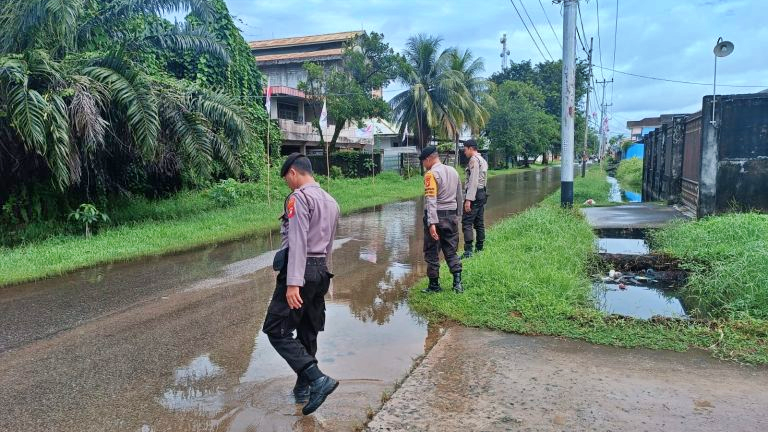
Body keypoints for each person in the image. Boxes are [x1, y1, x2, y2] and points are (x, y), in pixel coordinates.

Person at [262, 153, 340, 416]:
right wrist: (325, 277)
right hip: (320, 271)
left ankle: (316, 378)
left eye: (286, 179)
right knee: (308, 329)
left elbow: (297, 241)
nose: (287, 184)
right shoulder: (331, 201)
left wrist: (293, 283)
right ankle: (303, 388)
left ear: (293, 173)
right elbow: (329, 245)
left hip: (300, 270)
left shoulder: (299, 198)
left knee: (276, 329)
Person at [420, 146, 464, 294]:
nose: (424, 165)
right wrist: (458, 216)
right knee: (451, 250)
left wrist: (432, 223)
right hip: (451, 217)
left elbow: (431, 200)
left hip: (436, 216)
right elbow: (459, 196)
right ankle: (457, 283)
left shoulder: (430, 174)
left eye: (423, 162)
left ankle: (434, 286)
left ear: (428, 159)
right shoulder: (453, 171)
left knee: (432, 251)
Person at [461, 139, 488, 259]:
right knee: (479, 222)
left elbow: (473, 181)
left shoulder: (474, 160)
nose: (464, 152)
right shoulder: (482, 159)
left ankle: (468, 252)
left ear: (471, 148)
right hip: (482, 193)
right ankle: (480, 248)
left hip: (474, 194)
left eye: (465, 149)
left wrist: (468, 200)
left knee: (467, 222)